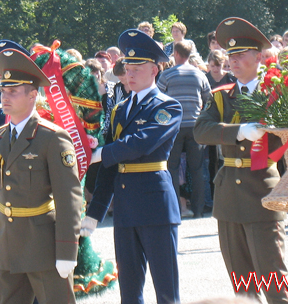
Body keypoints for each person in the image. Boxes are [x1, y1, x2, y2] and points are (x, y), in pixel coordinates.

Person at [193, 17, 288, 303]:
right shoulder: (223, 96)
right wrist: (238, 132)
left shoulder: (277, 92)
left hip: (263, 192)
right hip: (228, 198)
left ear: (259, 56)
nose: (232, 62)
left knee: (274, 283)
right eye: (230, 56)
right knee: (242, 290)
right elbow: (201, 131)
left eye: (239, 55)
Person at [81, 29, 182, 304]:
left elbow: (140, 143)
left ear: (155, 69)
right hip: (125, 209)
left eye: (138, 67)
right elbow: (111, 167)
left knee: (166, 292)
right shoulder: (119, 109)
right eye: (128, 67)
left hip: (155, 206)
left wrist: (100, 152)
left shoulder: (168, 106)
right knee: (129, 293)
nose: (131, 73)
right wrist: (95, 212)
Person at [0, 45, 83, 304]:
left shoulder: (52, 138)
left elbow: (68, 198)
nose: (5, 97)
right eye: (3, 91)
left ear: (32, 95)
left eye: (13, 92)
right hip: (7, 246)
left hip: (44, 248)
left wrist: (67, 251)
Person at [157, 40, 211, 218]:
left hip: (174, 126)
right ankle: (198, 209)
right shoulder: (199, 74)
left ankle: (175, 209)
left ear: (177, 54)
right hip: (195, 126)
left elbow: (158, 99)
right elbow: (208, 99)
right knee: (196, 169)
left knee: (171, 167)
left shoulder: (167, 75)